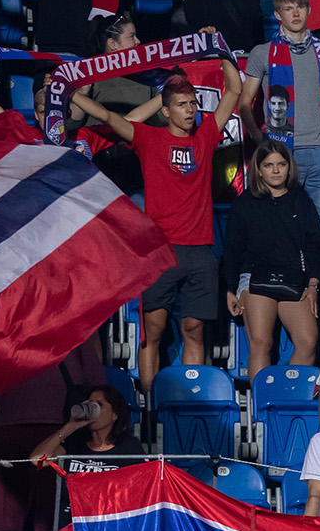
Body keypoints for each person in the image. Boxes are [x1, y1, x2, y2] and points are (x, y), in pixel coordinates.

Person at [74, 64, 243, 386]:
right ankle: (151, 408)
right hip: (161, 252)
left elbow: (234, 91)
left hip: (200, 251)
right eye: (182, 105)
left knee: (194, 330)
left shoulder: (206, 135)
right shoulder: (149, 138)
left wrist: (223, 53)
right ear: (165, 110)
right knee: (152, 331)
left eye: (193, 104)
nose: (190, 110)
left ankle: (190, 396)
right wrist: (71, 93)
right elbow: (109, 118)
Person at [221, 139, 320, 384]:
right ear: (258, 169)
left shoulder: (301, 201)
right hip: (255, 278)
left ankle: (288, 393)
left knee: (308, 341)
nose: (276, 170)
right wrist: (229, 288)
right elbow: (232, 251)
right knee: (262, 341)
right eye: (269, 165)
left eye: (281, 164)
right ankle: (262, 410)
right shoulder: (245, 204)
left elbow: (316, 248)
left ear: (290, 167)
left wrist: (313, 286)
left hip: (294, 280)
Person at [242, 0, 320, 231]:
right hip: (281, 153)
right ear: (278, 15)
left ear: (309, 10)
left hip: (319, 151)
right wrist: (261, 141)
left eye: (300, 7)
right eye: (288, 9)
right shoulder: (262, 53)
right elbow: (245, 102)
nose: (296, 13)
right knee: (278, 226)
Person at [29, 384, 145, 475]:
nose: (93, 409)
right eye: (90, 403)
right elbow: (37, 460)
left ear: (114, 414)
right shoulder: (76, 442)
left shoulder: (129, 446)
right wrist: (69, 427)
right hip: (73, 505)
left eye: (99, 404)